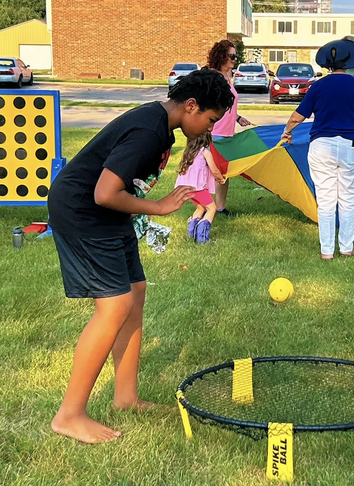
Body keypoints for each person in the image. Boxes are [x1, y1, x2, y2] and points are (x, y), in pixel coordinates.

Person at [47, 68, 234, 444]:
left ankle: (126, 398)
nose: (210, 128)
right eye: (211, 119)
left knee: (135, 292)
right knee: (114, 306)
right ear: (191, 105)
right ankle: (69, 415)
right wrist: (159, 207)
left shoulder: (161, 124)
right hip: (83, 211)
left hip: (109, 213)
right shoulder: (149, 130)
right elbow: (104, 192)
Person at [281, 39, 354, 260]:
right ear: (349, 62)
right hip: (353, 146)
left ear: (327, 63)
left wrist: (287, 132)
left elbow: (297, 116)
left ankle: (326, 251)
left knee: (326, 200)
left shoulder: (318, 86)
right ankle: (347, 248)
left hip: (322, 147)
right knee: (349, 198)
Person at [208, 39, 251, 215]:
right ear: (221, 56)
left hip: (227, 133)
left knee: (224, 173)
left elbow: (227, 104)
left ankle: (220, 207)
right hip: (215, 133)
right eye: (232, 56)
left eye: (235, 56)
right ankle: (204, 207)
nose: (235, 59)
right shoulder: (213, 76)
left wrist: (237, 117)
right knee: (214, 172)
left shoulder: (228, 75)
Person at [175, 132, 225, 243]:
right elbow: (214, 170)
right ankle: (202, 238)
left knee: (200, 208)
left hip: (186, 189)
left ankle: (191, 234)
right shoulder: (205, 152)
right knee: (212, 208)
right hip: (197, 188)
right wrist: (220, 179)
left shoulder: (189, 152)